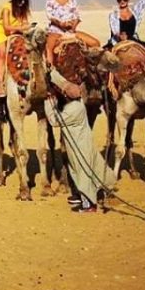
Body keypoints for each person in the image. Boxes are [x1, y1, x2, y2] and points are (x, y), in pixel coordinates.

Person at [44, 68, 115, 213]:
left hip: (78, 146)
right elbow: (66, 86)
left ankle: (88, 204)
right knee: (85, 168)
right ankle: (88, 195)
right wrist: (52, 74)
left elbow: (53, 120)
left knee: (81, 172)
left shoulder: (72, 110)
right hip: (83, 143)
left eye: (65, 93)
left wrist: (48, 100)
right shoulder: (79, 103)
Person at [45, 0, 100, 64]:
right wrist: (61, 24)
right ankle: (48, 71)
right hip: (56, 31)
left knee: (95, 43)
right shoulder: (50, 0)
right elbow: (50, 16)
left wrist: (72, 28)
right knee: (49, 48)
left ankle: (94, 68)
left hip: (71, 31)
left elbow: (76, 16)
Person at [0, 0, 33, 97]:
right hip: (1, 33)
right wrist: (21, 28)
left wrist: (26, 27)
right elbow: (6, 26)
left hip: (16, 32)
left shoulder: (23, 8)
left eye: (23, 0)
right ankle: (0, 84)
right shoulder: (6, 8)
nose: (22, 2)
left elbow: (25, 22)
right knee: (2, 54)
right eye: (19, 0)